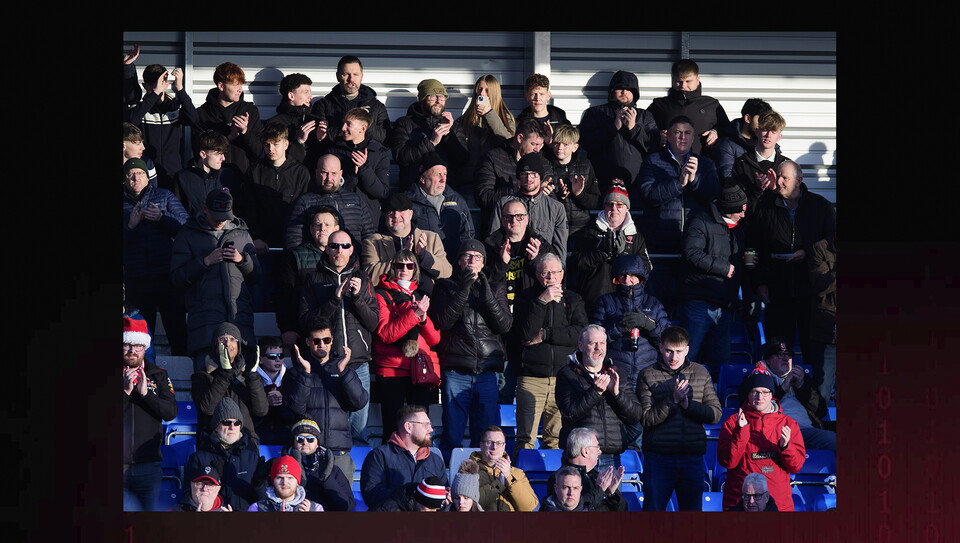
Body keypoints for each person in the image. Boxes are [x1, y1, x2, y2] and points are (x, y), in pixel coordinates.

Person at [748, 160, 836, 369]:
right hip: (777, 292)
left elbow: (831, 245)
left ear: (799, 181)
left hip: (811, 293)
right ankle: (776, 396)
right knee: (777, 351)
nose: (778, 182)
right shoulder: (765, 207)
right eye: (778, 176)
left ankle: (810, 397)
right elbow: (753, 248)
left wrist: (807, 252)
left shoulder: (820, 206)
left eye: (784, 178)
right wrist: (759, 283)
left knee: (812, 351)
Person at [430, 239, 513, 458]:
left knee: (485, 439)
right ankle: (448, 480)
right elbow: (443, 322)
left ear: (484, 262)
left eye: (477, 257)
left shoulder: (495, 287)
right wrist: (464, 289)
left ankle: (481, 484)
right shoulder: (445, 286)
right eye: (467, 256)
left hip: (487, 373)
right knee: (452, 437)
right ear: (459, 261)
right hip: (456, 371)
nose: (472, 261)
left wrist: (485, 293)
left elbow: (503, 325)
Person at [298, 230, 378, 447]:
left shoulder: (363, 278)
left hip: (357, 361)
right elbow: (306, 322)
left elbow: (373, 323)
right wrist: (334, 299)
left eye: (344, 246)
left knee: (359, 427)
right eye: (334, 246)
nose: (339, 251)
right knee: (331, 424)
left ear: (352, 249)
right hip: (327, 362)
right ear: (326, 248)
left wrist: (358, 298)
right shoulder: (313, 279)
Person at [170, 188, 261, 370]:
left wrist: (242, 260)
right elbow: (176, 278)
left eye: (225, 216)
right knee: (206, 388)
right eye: (216, 215)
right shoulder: (187, 234)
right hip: (205, 326)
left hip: (239, 323)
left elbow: (257, 276)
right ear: (205, 209)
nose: (221, 220)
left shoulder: (242, 234)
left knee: (242, 391)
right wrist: (205, 261)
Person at [635, 326, 721, 511]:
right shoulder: (647, 375)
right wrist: (672, 400)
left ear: (687, 350)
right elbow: (646, 419)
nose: (673, 357)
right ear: (660, 348)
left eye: (679, 352)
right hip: (659, 459)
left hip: (692, 459)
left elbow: (715, 415)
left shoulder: (700, 372)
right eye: (669, 351)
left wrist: (688, 405)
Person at [511, 253, 587, 458]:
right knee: (525, 438)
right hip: (531, 377)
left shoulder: (573, 299)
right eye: (545, 273)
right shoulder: (525, 299)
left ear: (562, 274)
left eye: (554, 272)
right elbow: (525, 334)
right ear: (537, 275)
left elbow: (579, 333)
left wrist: (546, 334)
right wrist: (541, 302)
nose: (550, 277)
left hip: (562, 378)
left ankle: (552, 483)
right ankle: (520, 483)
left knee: (554, 438)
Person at [482, 199, 555, 403]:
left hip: (530, 324)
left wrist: (534, 263)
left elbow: (554, 281)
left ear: (527, 219)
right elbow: (485, 284)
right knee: (503, 390)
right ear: (503, 220)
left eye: (519, 216)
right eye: (509, 217)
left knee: (531, 396)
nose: (515, 221)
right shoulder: (490, 245)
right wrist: (501, 264)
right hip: (501, 326)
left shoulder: (540, 244)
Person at [677, 184, 749, 377]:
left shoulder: (738, 229)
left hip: (725, 305)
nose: (743, 214)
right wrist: (724, 268)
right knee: (688, 356)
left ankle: (715, 402)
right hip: (699, 302)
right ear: (729, 208)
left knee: (721, 359)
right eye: (740, 210)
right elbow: (691, 253)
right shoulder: (700, 221)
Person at [285, 316, 369, 477]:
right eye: (316, 341)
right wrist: (307, 374)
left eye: (326, 339)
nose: (321, 344)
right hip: (306, 452)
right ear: (308, 342)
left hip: (339, 452)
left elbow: (359, 402)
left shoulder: (343, 370)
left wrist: (343, 372)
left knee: (341, 502)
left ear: (332, 341)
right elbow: (296, 408)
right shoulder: (297, 372)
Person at [372, 250, 442, 440]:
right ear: (393, 268)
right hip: (392, 369)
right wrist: (412, 315)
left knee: (421, 429)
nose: (404, 269)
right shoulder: (382, 294)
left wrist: (423, 317)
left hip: (419, 370)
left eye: (409, 265)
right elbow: (386, 334)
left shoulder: (422, 294)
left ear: (415, 269)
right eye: (399, 265)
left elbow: (435, 339)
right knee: (392, 428)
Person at [123, 157, 189, 356]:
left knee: (176, 326)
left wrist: (162, 218)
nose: (136, 178)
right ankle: (144, 370)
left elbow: (185, 226)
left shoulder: (164, 196)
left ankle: (183, 361)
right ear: (125, 179)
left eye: (141, 174)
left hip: (166, 274)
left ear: (148, 177)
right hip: (137, 277)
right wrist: (130, 227)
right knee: (141, 330)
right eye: (131, 175)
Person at [718, 366, 806, 511]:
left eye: (765, 392)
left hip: (778, 504)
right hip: (740, 504)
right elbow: (728, 462)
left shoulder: (788, 424)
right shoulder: (732, 423)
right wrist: (741, 432)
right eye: (755, 392)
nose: (760, 397)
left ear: (772, 395)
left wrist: (785, 447)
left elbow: (796, 466)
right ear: (748, 394)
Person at [556, 325, 642, 461]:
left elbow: (635, 416)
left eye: (602, 343)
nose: (598, 348)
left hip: (612, 456)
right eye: (592, 343)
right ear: (581, 346)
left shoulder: (619, 373)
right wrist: (595, 392)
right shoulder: (567, 374)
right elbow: (569, 414)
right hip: (579, 455)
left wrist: (617, 394)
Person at [122, 317, 178, 511]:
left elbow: (170, 412)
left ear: (145, 347)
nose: (132, 350)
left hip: (149, 465)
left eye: (138, 345)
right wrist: (126, 393)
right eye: (127, 345)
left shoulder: (158, 375)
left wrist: (146, 395)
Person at [738, 340, 835, 451]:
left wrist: (801, 386)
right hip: (775, 431)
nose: (786, 359)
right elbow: (750, 407)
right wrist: (783, 388)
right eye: (780, 355)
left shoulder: (802, 377)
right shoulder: (756, 378)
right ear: (768, 360)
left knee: (835, 440)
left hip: (806, 430)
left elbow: (821, 411)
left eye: (788, 355)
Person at [569, 183, 652, 309]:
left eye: (619, 204)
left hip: (626, 301)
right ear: (604, 207)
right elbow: (576, 263)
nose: (614, 208)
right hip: (594, 300)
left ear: (626, 208)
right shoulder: (589, 231)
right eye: (609, 204)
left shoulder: (636, 236)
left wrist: (624, 257)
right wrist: (600, 254)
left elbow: (646, 268)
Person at [236, 120, 311, 254]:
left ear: (286, 144)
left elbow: (304, 209)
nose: (271, 149)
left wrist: (297, 240)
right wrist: (255, 237)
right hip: (261, 243)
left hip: (292, 242)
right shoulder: (254, 170)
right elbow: (247, 207)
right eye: (267, 145)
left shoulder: (300, 172)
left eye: (276, 144)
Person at [577, 70, 659, 191]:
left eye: (629, 88)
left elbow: (654, 146)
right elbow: (586, 142)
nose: (624, 91)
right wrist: (613, 127)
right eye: (619, 87)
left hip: (637, 184)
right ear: (611, 91)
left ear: (635, 93)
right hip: (602, 183)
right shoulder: (595, 113)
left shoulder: (645, 116)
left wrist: (634, 128)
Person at [190, 323, 269, 445]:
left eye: (232, 339)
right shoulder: (202, 375)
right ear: (215, 344)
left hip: (246, 443)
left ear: (238, 345)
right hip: (212, 444)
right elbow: (207, 409)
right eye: (222, 339)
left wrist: (253, 375)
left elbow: (261, 410)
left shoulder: (247, 375)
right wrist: (224, 374)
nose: (227, 343)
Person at [274, 206, 341, 350]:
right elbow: (283, 296)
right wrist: (287, 328)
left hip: (339, 335)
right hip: (305, 335)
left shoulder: (348, 257)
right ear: (311, 229)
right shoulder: (294, 257)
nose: (322, 228)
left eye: (327, 225)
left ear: (336, 229)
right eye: (318, 224)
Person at [360, 405, 448, 511]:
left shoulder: (436, 460)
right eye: (426, 425)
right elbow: (371, 496)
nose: (431, 429)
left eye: (430, 424)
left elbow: (442, 501)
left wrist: (446, 498)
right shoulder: (379, 456)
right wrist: (411, 494)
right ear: (408, 427)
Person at [307, 55, 391, 166]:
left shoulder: (376, 106)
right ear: (337, 76)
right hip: (334, 171)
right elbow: (316, 141)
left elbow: (386, 139)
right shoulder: (323, 105)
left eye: (355, 74)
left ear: (362, 76)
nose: (351, 79)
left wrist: (365, 123)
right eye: (346, 74)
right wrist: (351, 127)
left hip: (369, 167)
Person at [361, 193, 452, 292]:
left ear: (411, 214)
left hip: (426, 297)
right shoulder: (373, 242)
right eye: (391, 211)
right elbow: (369, 276)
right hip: (391, 301)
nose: (396, 215)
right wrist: (401, 258)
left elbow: (446, 272)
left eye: (401, 211)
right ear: (385, 215)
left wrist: (424, 255)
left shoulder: (431, 238)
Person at [185, 397, 264, 511]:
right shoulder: (199, 457)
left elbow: (262, 501)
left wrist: (260, 484)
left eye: (236, 422)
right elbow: (188, 494)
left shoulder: (252, 457)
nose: (232, 427)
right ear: (216, 427)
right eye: (226, 422)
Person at [127, 61, 198, 188]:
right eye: (152, 84)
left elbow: (193, 119)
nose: (157, 87)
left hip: (172, 173)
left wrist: (180, 89)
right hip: (146, 173)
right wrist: (154, 94)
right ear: (145, 85)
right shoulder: (141, 109)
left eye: (159, 83)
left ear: (167, 83)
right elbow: (131, 121)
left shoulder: (174, 107)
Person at [389, 78, 468, 191]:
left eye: (442, 97)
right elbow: (400, 157)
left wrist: (448, 134)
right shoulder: (404, 123)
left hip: (447, 192)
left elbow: (462, 160)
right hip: (414, 192)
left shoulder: (454, 126)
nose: (438, 101)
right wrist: (431, 143)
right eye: (432, 96)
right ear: (422, 98)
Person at [284, 154, 375, 249]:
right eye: (324, 172)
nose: (329, 178)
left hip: (353, 261)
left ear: (341, 173)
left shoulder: (356, 200)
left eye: (334, 173)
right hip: (316, 261)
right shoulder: (303, 202)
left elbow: (368, 236)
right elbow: (293, 239)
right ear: (316, 172)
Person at [489, 152, 569, 257]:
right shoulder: (504, 203)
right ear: (519, 176)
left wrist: (559, 270)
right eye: (524, 174)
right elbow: (493, 240)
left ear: (540, 176)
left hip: (542, 267)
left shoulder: (556, 208)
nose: (529, 178)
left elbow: (560, 248)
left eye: (533, 174)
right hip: (511, 265)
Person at [188, 62, 262, 174]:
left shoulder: (250, 111)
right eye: (235, 85)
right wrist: (228, 138)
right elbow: (198, 152)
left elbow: (259, 151)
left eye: (240, 85)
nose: (240, 89)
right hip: (214, 180)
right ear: (221, 86)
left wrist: (245, 132)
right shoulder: (202, 114)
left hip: (244, 178)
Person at [475, 117, 546, 233]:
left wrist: (543, 193)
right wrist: (515, 190)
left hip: (535, 234)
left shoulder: (542, 163)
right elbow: (483, 197)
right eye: (534, 144)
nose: (538, 149)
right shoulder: (493, 158)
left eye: (541, 145)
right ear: (520, 138)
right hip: (500, 233)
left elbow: (552, 203)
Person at [647, 59, 729, 156]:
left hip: (702, 165)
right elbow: (644, 131)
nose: (683, 86)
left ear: (697, 79)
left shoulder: (711, 105)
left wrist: (716, 133)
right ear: (672, 79)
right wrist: (657, 137)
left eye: (688, 81)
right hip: (665, 165)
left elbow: (729, 130)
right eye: (679, 81)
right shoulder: (659, 105)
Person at [451, 74, 516, 193]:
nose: (482, 94)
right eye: (479, 89)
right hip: (468, 182)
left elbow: (509, 142)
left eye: (487, 90)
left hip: (496, 182)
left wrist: (489, 114)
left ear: (494, 93)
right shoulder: (464, 120)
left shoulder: (506, 119)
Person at [406, 151, 475, 259]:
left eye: (445, 174)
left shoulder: (457, 200)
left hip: (454, 265)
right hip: (423, 265)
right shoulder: (409, 202)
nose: (443, 179)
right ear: (423, 179)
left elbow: (468, 233)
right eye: (437, 175)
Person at [327, 107, 391, 221]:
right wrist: (351, 174)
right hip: (340, 214)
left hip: (368, 218)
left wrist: (364, 168)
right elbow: (329, 186)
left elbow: (382, 192)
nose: (343, 128)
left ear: (363, 128)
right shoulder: (335, 150)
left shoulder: (378, 152)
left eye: (348, 124)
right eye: (343, 124)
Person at [542, 427, 627, 511]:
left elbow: (624, 511)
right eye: (597, 447)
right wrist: (599, 490)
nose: (600, 451)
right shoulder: (561, 477)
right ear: (585, 451)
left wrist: (612, 494)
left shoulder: (597, 476)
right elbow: (573, 509)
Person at [543, 124, 602, 241]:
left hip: (582, 227)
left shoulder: (585, 165)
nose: (560, 148)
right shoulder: (545, 164)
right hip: (554, 226)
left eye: (565, 144)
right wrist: (560, 197)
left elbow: (596, 202)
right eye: (557, 143)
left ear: (575, 147)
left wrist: (579, 195)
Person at [280, 419, 355, 511]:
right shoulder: (282, 468)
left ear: (317, 444)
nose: (305, 442)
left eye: (310, 439)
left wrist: (327, 479)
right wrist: (299, 476)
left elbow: (347, 506)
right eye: (299, 439)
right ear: (293, 443)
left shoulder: (333, 470)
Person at [728, 111, 790, 213]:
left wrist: (775, 189)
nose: (768, 135)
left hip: (778, 225)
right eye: (765, 130)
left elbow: (793, 201)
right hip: (749, 224)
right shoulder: (742, 163)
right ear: (757, 131)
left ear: (779, 137)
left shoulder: (787, 165)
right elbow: (736, 203)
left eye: (773, 131)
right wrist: (756, 190)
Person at [468, 426, 539, 511]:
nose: (494, 447)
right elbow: (471, 504)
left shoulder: (517, 473)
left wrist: (509, 477)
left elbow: (528, 507)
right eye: (489, 442)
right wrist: (499, 484)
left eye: (499, 443)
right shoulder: (469, 472)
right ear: (481, 445)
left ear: (504, 446)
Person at [172, 130, 235, 220]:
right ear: (203, 154)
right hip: (194, 230)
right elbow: (177, 210)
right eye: (218, 154)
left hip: (223, 229)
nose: (223, 158)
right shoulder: (182, 178)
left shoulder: (227, 175)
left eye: (223, 153)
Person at [252, 336, 299, 445]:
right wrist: (264, 403)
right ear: (261, 359)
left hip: (286, 436)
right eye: (272, 356)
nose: (278, 360)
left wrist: (283, 402)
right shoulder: (251, 379)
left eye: (281, 356)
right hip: (258, 436)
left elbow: (295, 414)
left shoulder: (291, 377)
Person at [713, 98, 773, 180]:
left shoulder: (769, 141)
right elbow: (727, 180)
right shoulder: (728, 145)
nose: (764, 124)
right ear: (748, 118)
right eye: (761, 119)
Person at [808, 234, 837, 400]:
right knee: (823, 391)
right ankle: (822, 425)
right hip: (827, 330)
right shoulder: (820, 248)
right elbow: (819, 286)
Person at [265, 72, 314, 164]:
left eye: (310, 92)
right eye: (306, 92)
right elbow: (274, 157)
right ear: (291, 96)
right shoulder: (275, 123)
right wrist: (299, 142)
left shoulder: (313, 120)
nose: (310, 97)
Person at [248, 455, 324, 511]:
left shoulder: (315, 508)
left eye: (290, 478)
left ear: (297, 482)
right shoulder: (257, 508)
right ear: (273, 481)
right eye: (280, 478)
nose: (284, 482)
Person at [514, 73, 570, 141]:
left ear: (548, 96)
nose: (537, 98)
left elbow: (570, 146)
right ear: (527, 96)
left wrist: (552, 143)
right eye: (533, 94)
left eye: (542, 94)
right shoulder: (521, 123)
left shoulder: (561, 121)